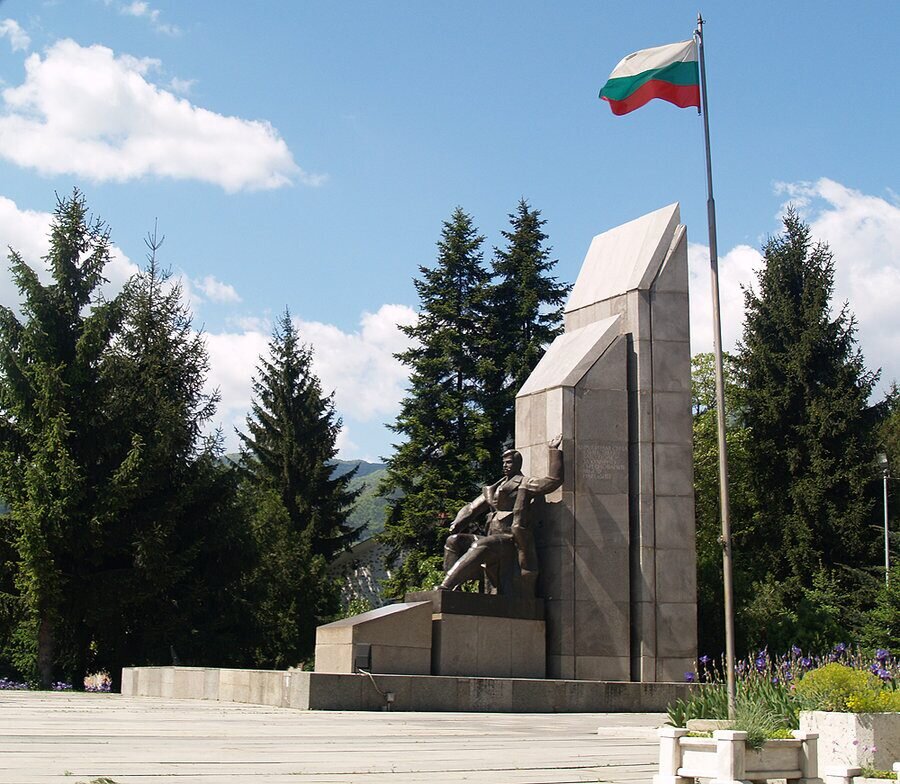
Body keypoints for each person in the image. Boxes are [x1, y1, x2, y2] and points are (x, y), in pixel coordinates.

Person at [438, 435, 563, 596]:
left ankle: (445, 587)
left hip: (510, 539)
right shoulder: (494, 488)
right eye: (504, 462)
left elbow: (552, 481)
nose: (505, 465)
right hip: (492, 538)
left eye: (509, 462)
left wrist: (553, 450)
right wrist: (457, 522)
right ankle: (455, 590)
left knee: (481, 545)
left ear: (518, 464)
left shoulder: (524, 483)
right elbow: (471, 508)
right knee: (453, 541)